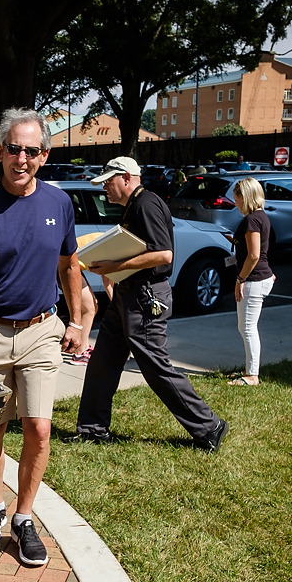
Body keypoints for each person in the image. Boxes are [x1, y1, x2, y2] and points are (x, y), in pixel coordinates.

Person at [0, 107, 84, 567]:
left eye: (31, 150)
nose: (21, 158)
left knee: (39, 428)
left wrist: (78, 320)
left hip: (41, 331)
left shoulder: (60, 204)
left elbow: (69, 267)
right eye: (14, 149)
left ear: (44, 155)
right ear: (0, 152)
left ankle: (24, 519)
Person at [65, 157, 227, 452]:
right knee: (103, 362)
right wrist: (115, 275)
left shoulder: (146, 203)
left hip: (146, 297)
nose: (105, 189)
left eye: (108, 182)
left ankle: (209, 426)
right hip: (129, 294)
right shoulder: (133, 206)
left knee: (154, 366)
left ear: (126, 177)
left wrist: (115, 264)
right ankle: (92, 428)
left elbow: (163, 254)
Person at [227, 178, 275, 386]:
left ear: (246, 197)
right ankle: (250, 368)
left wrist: (240, 279)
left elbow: (254, 255)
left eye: (237, 198)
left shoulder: (251, 220)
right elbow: (256, 250)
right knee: (246, 326)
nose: (235, 202)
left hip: (254, 280)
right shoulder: (260, 217)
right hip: (261, 277)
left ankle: (252, 375)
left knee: (247, 327)